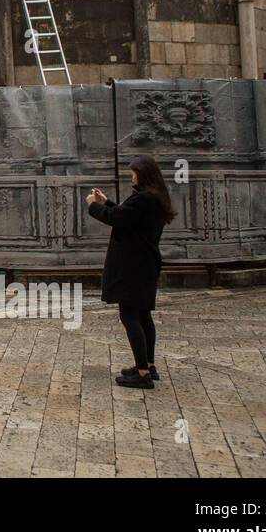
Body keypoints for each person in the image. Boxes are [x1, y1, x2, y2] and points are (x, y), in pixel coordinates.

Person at [86, 154, 174, 390]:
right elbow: (128, 217)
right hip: (144, 264)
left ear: (143, 174)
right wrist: (107, 202)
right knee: (143, 314)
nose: (131, 176)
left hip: (132, 266)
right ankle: (148, 365)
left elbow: (117, 219)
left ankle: (142, 373)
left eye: (133, 172)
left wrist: (94, 207)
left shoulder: (144, 199)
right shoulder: (153, 198)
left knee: (129, 316)